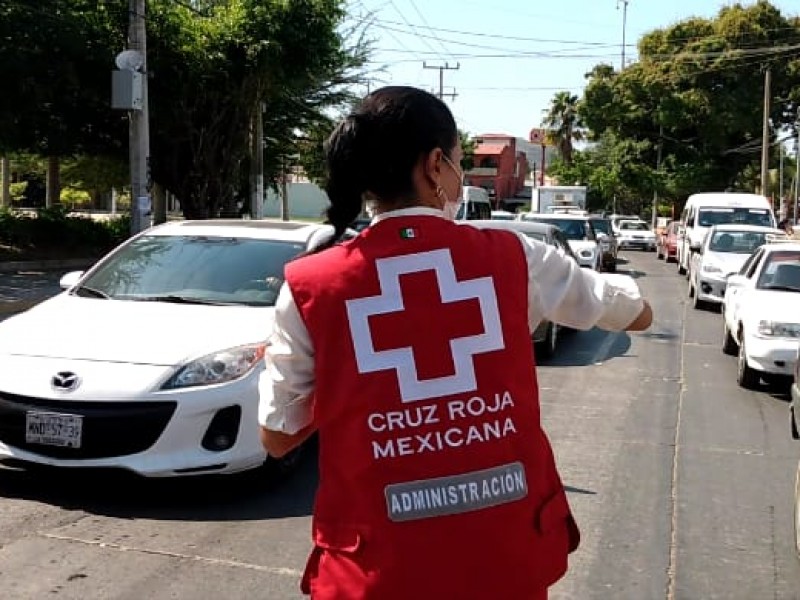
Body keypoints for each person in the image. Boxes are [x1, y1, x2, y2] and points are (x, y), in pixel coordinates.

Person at [258, 86, 653, 600]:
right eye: (461, 163)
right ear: (435, 165)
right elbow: (631, 313)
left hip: (375, 575)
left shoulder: (312, 286)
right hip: (503, 564)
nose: (461, 176)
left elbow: (279, 436)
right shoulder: (515, 257)